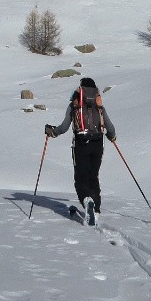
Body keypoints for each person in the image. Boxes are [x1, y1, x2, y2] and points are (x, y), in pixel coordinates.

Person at [45, 76, 116, 225]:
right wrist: (112, 136)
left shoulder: (75, 105)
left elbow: (64, 127)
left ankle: (86, 200)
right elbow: (110, 128)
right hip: (98, 143)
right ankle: (96, 210)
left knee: (80, 178)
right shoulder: (99, 105)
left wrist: (53, 132)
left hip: (81, 143)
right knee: (93, 175)